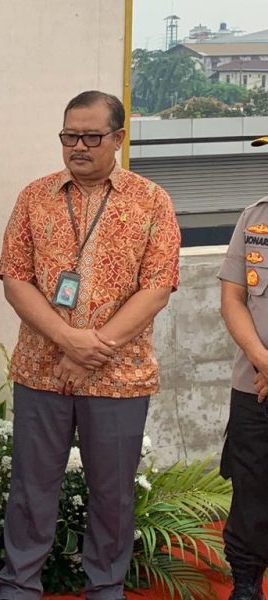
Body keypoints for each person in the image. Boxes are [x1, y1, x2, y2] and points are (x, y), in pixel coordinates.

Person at [0, 90, 180, 598]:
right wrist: (67, 342)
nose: (78, 146)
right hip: (41, 371)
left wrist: (94, 347)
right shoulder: (34, 197)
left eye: (91, 136)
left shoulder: (152, 201)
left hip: (120, 376)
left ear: (118, 138)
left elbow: (158, 285)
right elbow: (15, 279)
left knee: (113, 495)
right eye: (69, 136)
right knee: (31, 489)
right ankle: (20, 585)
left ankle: (105, 588)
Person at [217, 133, 268, 600]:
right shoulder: (254, 217)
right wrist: (261, 357)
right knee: (250, 487)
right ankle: (247, 581)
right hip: (255, 384)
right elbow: (233, 298)